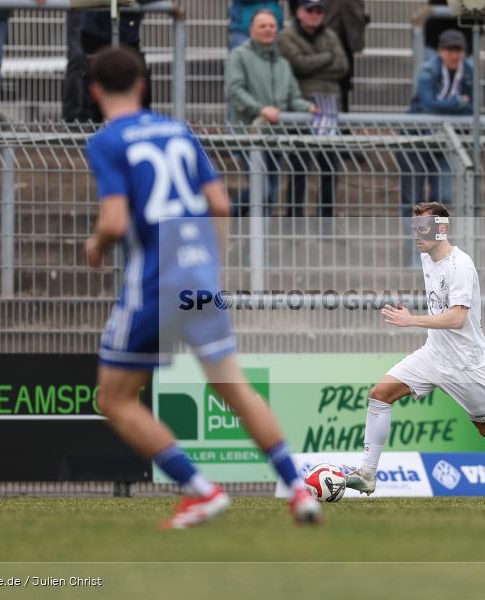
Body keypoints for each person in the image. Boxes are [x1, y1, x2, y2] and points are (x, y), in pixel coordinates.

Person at [83, 46, 321, 528]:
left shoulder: (107, 141)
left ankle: (200, 488)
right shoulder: (179, 130)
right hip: (197, 277)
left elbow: (114, 219)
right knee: (234, 387)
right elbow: (220, 203)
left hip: (152, 282)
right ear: (143, 85)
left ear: (94, 91)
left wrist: (96, 246)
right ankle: (299, 489)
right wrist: (210, 262)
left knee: (114, 398)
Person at [344, 202, 485, 503]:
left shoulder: (461, 267)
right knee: (379, 394)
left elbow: (457, 318)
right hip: (433, 354)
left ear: (442, 229)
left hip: (466, 365)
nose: (417, 235)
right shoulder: (426, 257)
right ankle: (367, 475)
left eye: (424, 228)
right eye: (414, 228)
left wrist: (411, 319)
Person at [225, 9, 315, 216]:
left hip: (274, 137)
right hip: (250, 134)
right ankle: (224, 217)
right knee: (262, 189)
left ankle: (257, 245)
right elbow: (235, 90)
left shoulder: (281, 62)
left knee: (270, 194)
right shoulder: (239, 56)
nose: (268, 30)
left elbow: (293, 96)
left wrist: (308, 108)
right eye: (262, 26)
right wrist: (260, 109)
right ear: (251, 30)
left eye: (272, 26)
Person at [277, 0, 348, 220]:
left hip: (329, 109)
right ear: (299, 12)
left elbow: (343, 67)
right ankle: (294, 221)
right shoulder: (287, 36)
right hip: (304, 108)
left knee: (330, 167)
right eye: (310, 10)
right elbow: (297, 65)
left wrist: (311, 66)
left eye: (319, 11)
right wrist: (327, 58)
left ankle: (325, 222)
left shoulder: (330, 35)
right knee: (300, 166)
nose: (315, 15)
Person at [399, 29, 472, 222]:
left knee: (443, 199)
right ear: (440, 51)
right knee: (413, 203)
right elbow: (428, 105)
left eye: (458, 50)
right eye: (450, 50)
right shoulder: (428, 70)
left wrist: (459, 106)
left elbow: (474, 109)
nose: (455, 55)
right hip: (415, 141)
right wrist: (457, 103)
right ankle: (413, 250)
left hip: (443, 141)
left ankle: (435, 249)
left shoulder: (469, 71)